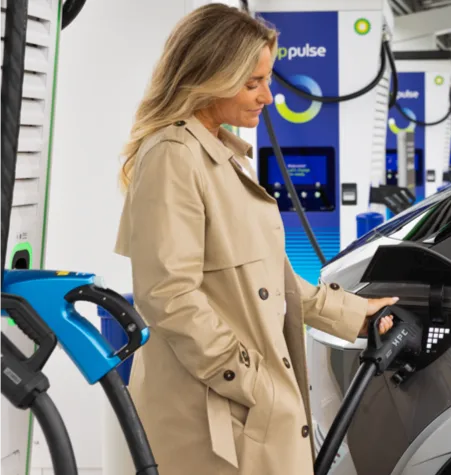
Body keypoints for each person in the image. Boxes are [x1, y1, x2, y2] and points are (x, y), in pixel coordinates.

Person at [113, 4, 396, 474]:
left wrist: (352, 313)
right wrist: (252, 382)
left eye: (267, 79)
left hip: (242, 405)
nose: (268, 95)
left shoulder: (224, 156)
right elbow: (168, 295)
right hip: (213, 415)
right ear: (210, 77)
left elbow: (267, 278)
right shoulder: (172, 157)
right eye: (253, 83)